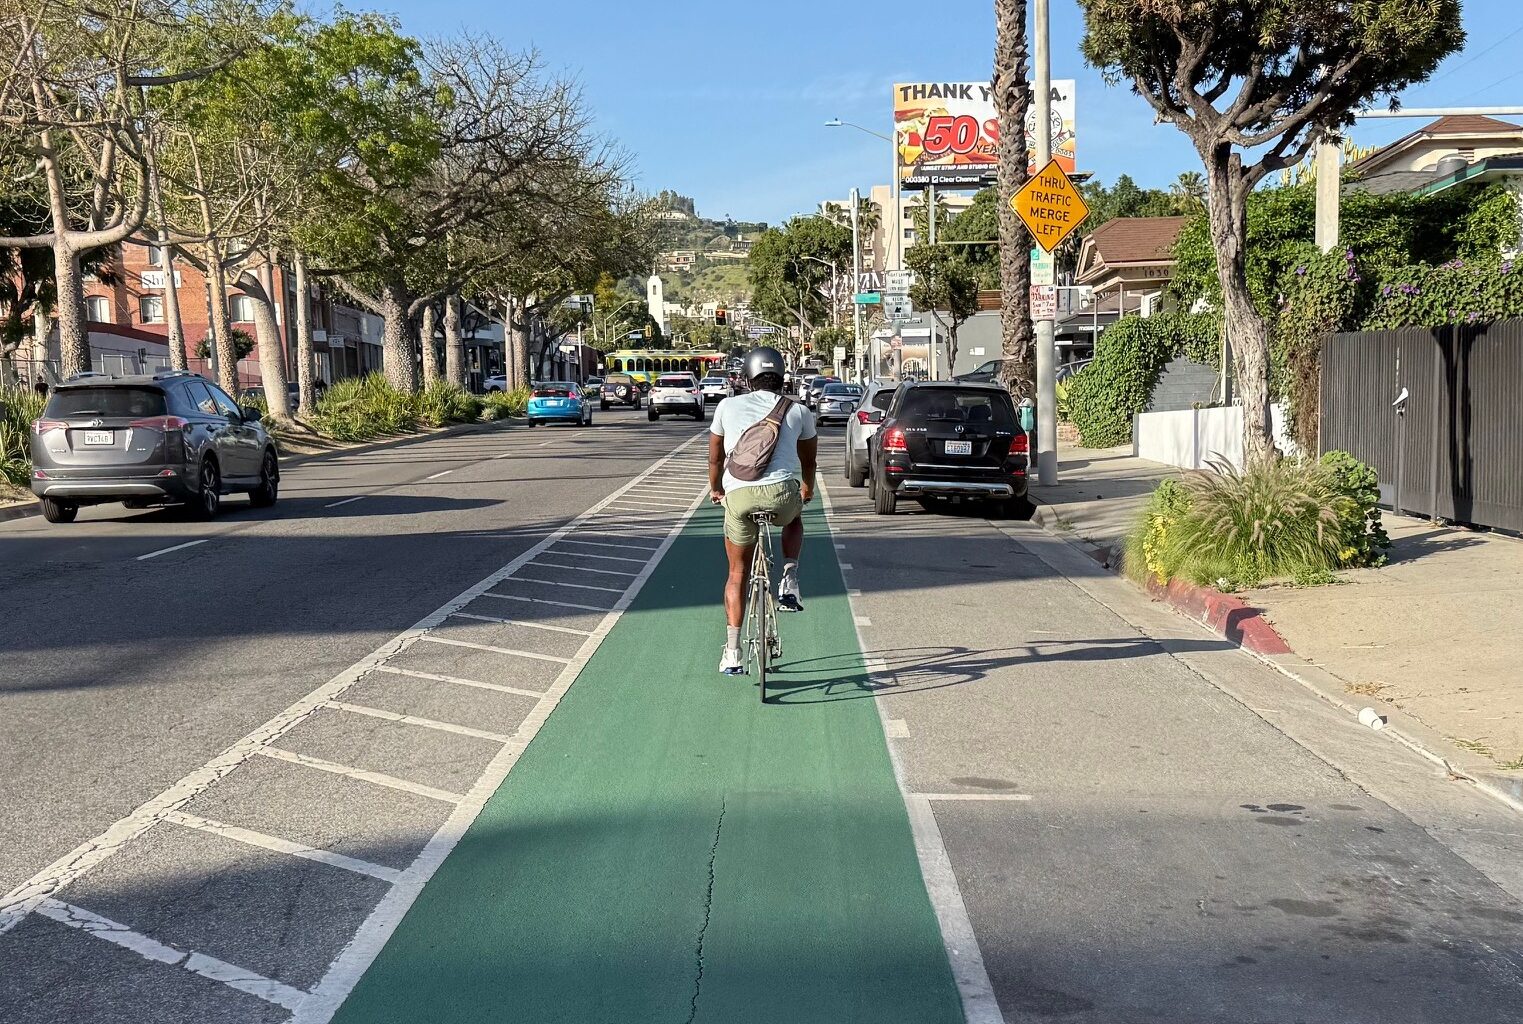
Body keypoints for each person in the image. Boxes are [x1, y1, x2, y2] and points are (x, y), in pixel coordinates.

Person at [708, 346, 817, 675]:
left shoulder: (726, 406)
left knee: (736, 575)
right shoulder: (798, 411)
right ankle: (790, 577)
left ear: (747, 377)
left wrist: (716, 488)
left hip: (738, 496)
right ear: (782, 377)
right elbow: (808, 460)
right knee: (794, 514)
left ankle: (732, 652)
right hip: (781, 495)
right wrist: (806, 488)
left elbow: (714, 458)